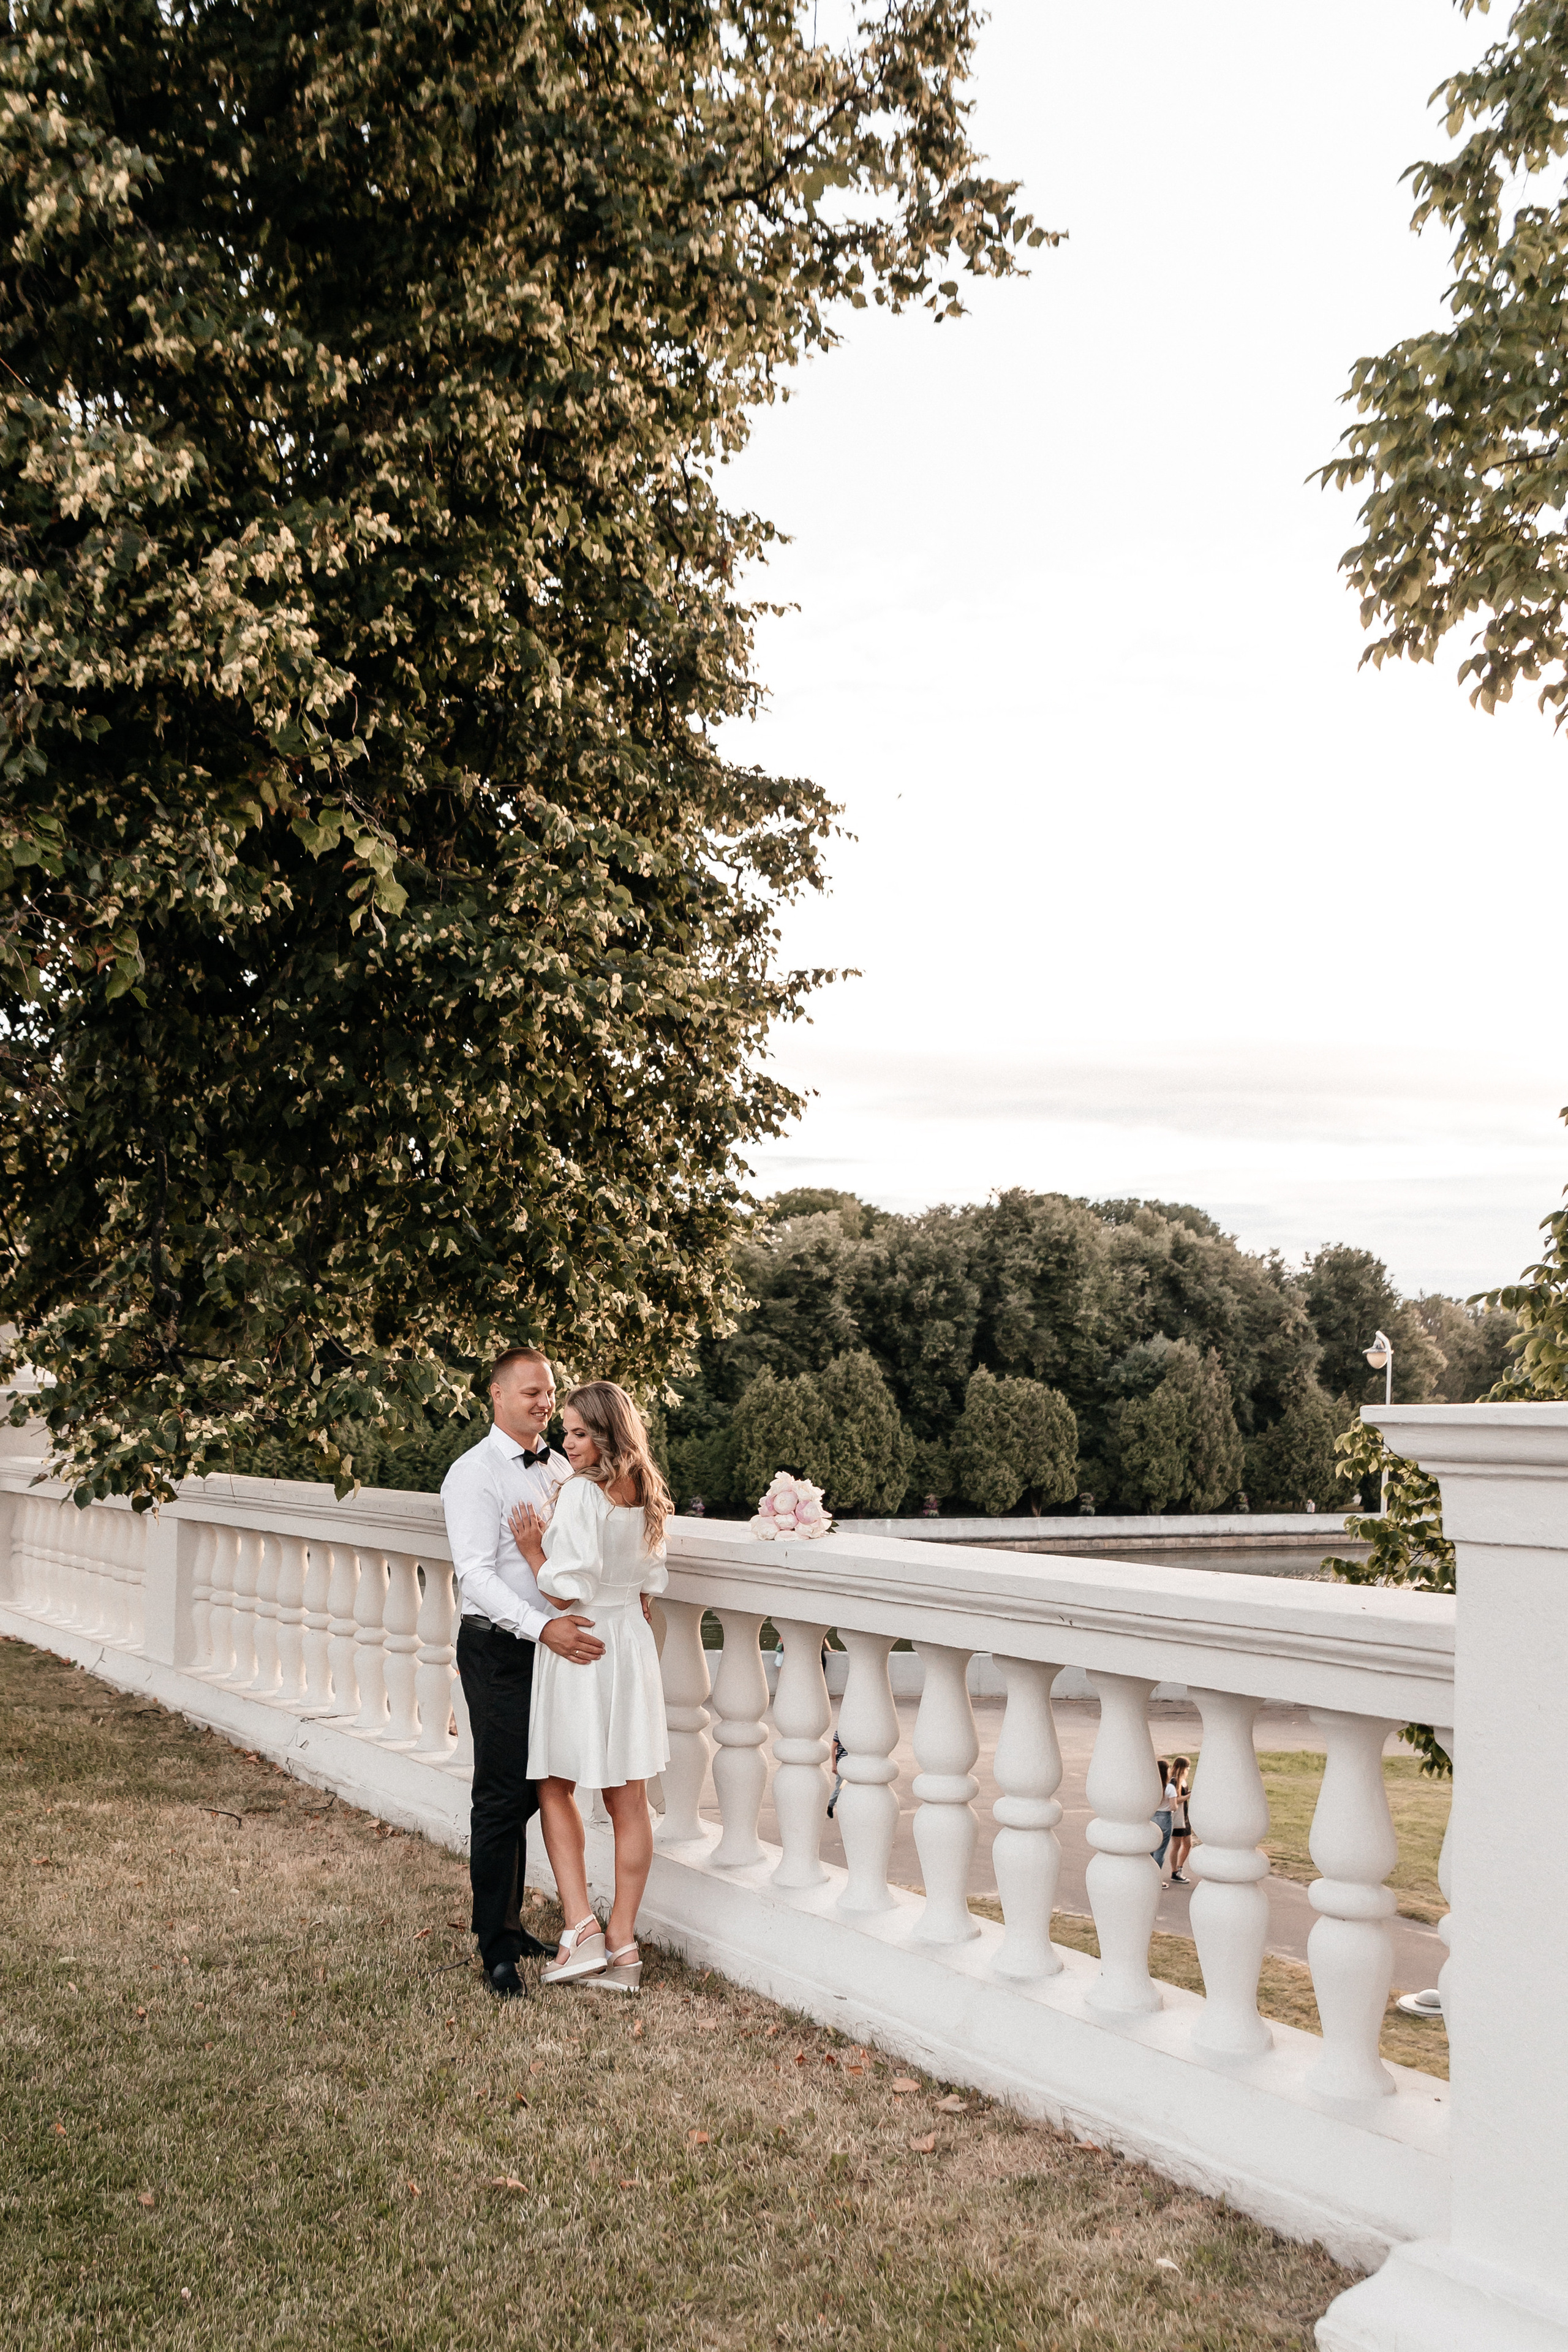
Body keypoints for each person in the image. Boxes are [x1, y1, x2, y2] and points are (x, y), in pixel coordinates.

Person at [439, 1346, 606, 2002]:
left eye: (549, 1393)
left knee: (546, 1786)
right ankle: (496, 1946)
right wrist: (543, 1629)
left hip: (554, 1648)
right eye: (531, 1392)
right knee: (502, 1794)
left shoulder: (561, 1465)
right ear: (497, 1396)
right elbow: (475, 1575)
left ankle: (512, 1923)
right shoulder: (473, 1474)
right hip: (501, 1649)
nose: (544, 1403)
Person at [509, 1380, 672, 1994]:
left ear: (606, 1433)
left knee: (555, 1779)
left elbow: (561, 1590)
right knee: (627, 1798)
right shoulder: (648, 1493)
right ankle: (624, 1944)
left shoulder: (579, 1494)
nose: (567, 1443)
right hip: (629, 1641)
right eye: (566, 1432)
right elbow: (651, 1580)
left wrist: (531, 1550)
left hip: (583, 1642)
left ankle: (581, 1931)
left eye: (579, 1432)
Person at [1166, 1757, 1193, 1885]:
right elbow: (1175, 1800)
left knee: (1188, 1844)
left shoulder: (1182, 1781)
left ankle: (1180, 1868)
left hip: (1185, 1816)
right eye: (1187, 1767)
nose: (1188, 1770)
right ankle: (1174, 1871)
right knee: (1176, 1845)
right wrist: (1189, 1796)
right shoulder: (1174, 1781)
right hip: (1177, 1817)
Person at [1153, 1758, 1173, 1877]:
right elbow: (1174, 1806)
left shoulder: (1153, 1786)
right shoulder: (1169, 1788)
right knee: (1160, 1851)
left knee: (1150, 1849)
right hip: (1165, 1817)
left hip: (1153, 1816)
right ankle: (1156, 1877)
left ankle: (1148, 1876)